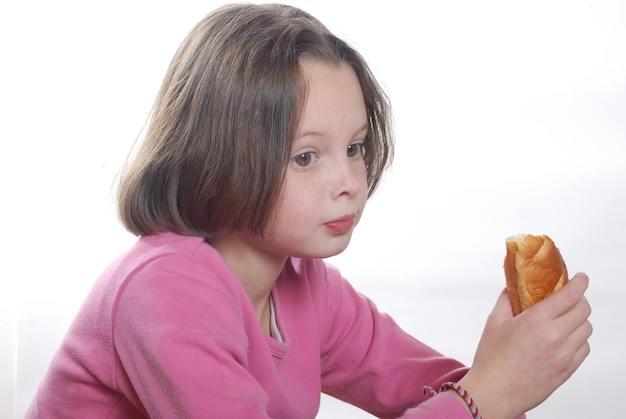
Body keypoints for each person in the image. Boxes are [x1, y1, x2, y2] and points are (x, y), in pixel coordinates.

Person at [26, 3, 592, 418]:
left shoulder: (306, 286)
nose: (349, 181)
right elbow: (474, 403)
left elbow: (439, 391)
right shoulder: (166, 289)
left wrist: (507, 368)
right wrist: (486, 396)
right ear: (217, 157)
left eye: (354, 147)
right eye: (306, 156)